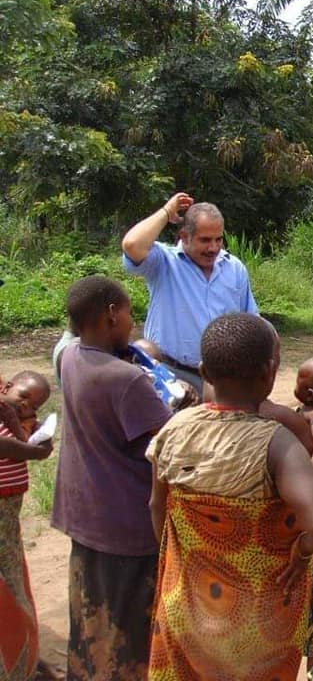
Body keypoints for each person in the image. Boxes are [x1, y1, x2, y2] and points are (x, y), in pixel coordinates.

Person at [146, 312, 313, 681]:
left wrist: (188, 564)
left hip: (187, 609)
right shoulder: (276, 443)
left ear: (204, 372)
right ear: (270, 373)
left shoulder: (172, 430)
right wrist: (299, 553)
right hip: (257, 624)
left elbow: (157, 507)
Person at [51, 276, 174, 678]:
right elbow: (171, 440)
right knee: (129, 632)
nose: (131, 325)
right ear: (110, 314)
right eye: (129, 315)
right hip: (126, 524)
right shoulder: (126, 380)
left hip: (85, 514)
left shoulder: (70, 357)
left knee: (89, 619)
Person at [121, 191, 257, 391]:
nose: (213, 247)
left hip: (222, 381)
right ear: (184, 237)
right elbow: (132, 245)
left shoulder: (234, 267)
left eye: (218, 239)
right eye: (205, 240)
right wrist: (167, 212)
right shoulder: (164, 262)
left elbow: (251, 320)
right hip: (172, 377)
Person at [0, 371, 53, 681]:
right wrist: (31, 451)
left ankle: (20, 661)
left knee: (11, 580)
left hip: (9, 508)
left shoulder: (15, 407)